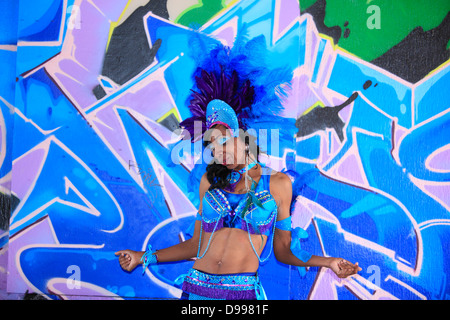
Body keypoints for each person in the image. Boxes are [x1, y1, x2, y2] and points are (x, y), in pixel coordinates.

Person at [115, 35, 361, 300]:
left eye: (223, 141)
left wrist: (327, 262)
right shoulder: (209, 182)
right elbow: (197, 244)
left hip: (242, 296)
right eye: (212, 145)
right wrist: (144, 257)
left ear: (244, 136)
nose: (219, 152)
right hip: (196, 292)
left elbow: (283, 251)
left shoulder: (278, 184)